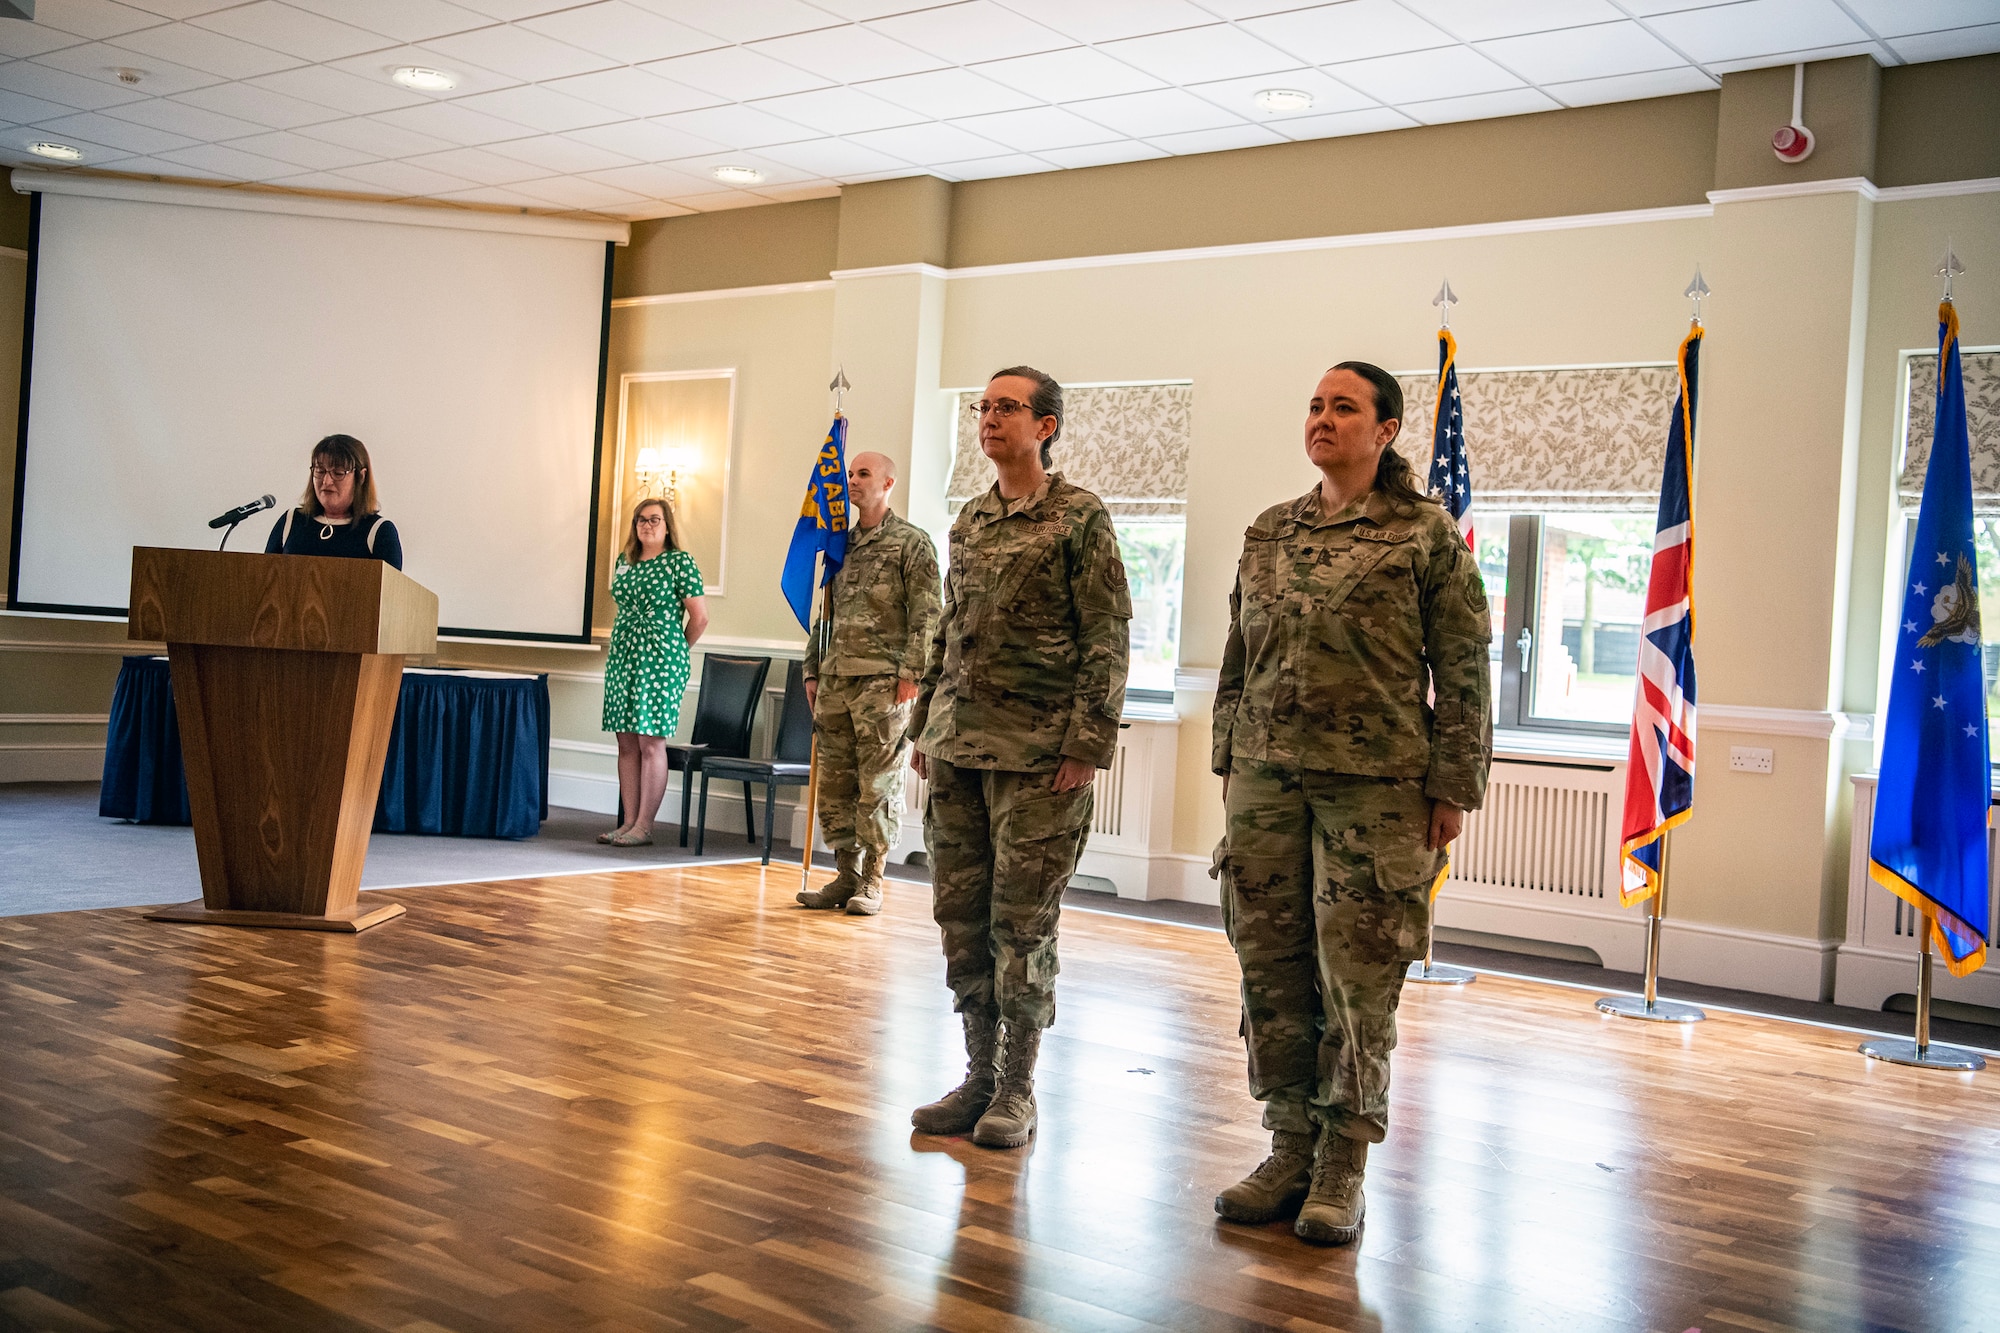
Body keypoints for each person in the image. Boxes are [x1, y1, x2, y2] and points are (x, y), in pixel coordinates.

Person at [1210, 361, 1492, 1245]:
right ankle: (1289, 1143)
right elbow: (1235, 656)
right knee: (1272, 966)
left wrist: (1452, 787)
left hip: (1375, 790)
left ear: (1388, 429)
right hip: (1265, 782)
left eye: (1345, 407)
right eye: (1316, 406)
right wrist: (1229, 752)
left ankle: (1343, 1163)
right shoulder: (1269, 530)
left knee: (1358, 977)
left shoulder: (1423, 534)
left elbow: (1467, 668)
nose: (1324, 419)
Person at [906, 365, 1132, 1150]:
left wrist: (1086, 744)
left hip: (1039, 757)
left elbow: (1107, 636)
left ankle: (1016, 1087)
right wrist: (925, 731)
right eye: (984, 406)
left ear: (1046, 426)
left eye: (1008, 407)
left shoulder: (1079, 518)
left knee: (1021, 925)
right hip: (957, 747)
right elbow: (946, 628)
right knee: (962, 921)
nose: (990, 418)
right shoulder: (970, 519)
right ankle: (975, 1075)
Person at [797, 451, 941, 917]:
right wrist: (812, 669)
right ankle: (845, 875)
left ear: (888, 483)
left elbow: (927, 613)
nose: (852, 481)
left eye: (863, 474)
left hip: (883, 683)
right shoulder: (839, 543)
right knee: (837, 785)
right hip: (836, 679)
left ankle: (874, 880)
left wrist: (911, 674)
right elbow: (825, 612)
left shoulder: (910, 543)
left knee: (876, 784)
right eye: (850, 474)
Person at [600, 497, 708, 847]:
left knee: (650, 740)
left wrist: (674, 651)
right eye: (641, 520)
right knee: (626, 741)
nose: (647, 525)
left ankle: (645, 826)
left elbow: (700, 617)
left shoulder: (680, 563)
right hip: (624, 658)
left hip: (660, 662)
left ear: (667, 526)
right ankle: (628, 822)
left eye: (655, 519)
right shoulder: (624, 562)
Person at [265, 433, 403, 568]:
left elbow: (389, 590)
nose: (326, 481)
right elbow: (265, 579)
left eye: (338, 473)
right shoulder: (291, 521)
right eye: (320, 471)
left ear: (361, 477)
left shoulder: (380, 531)